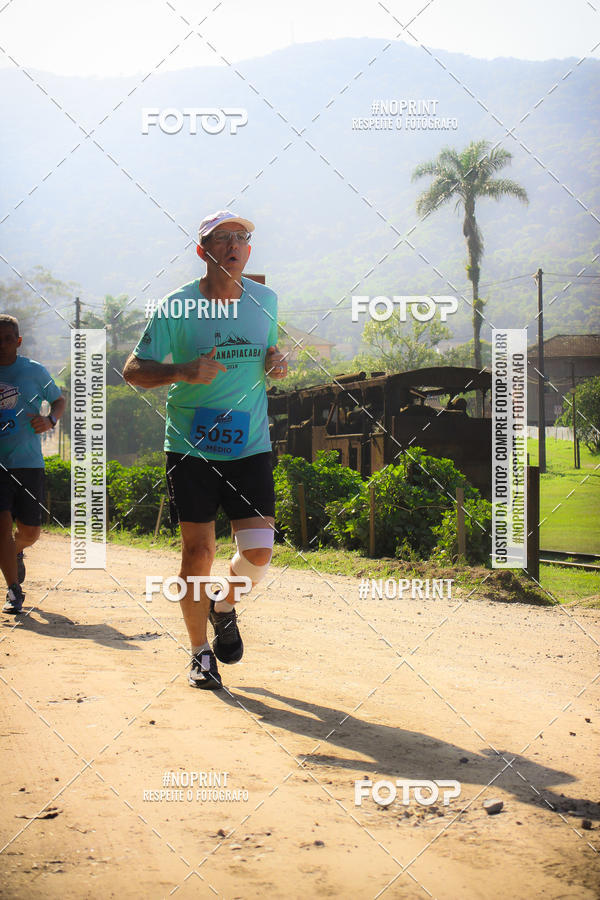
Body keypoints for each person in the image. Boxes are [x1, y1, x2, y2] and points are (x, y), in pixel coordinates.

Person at [123, 210, 287, 690]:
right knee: (198, 552)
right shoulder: (177, 308)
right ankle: (199, 654)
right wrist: (183, 371)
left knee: (258, 553)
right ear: (203, 250)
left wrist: (276, 362)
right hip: (191, 446)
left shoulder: (265, 301)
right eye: (224, 238)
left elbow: (269, 357)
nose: (236, 245)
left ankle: (224, 604)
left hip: (249, 443)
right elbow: (134, 370)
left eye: (243, 237)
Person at [0, 315, 65, 614]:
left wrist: (50, 419)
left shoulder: (33, 371)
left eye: (7, 339)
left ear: (18, 341)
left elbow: (58, 400)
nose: (2, 345)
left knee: (30, 532)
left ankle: (17, 552)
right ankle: (14, 591)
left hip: (28, 462)